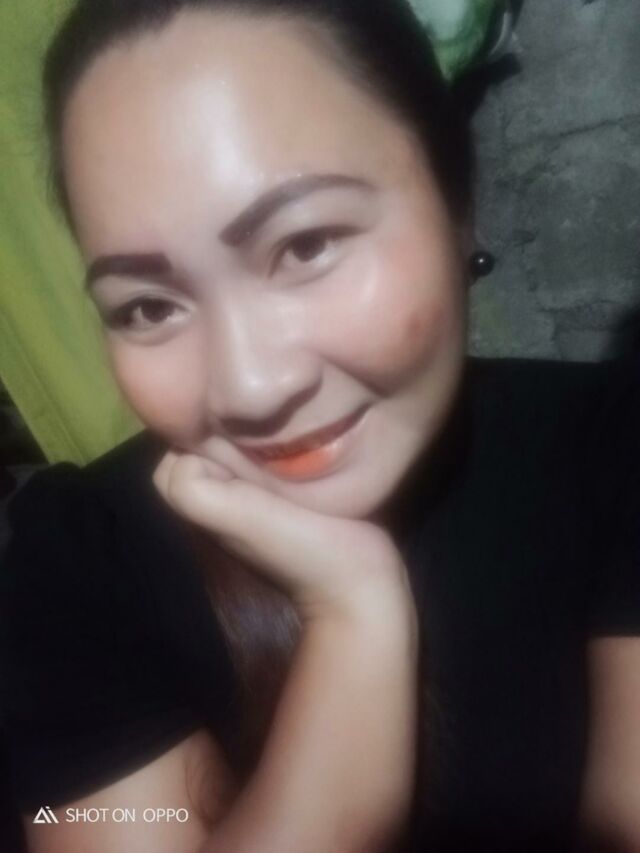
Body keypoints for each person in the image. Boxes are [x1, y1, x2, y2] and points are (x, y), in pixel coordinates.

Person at [0, 1, 639, 851]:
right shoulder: (77, 559)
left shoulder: (613, 446)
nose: (251, 387)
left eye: (305, 245)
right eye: (148, 305)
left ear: (458, 200)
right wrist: (352, 614)